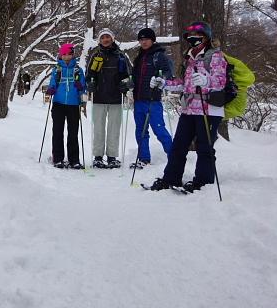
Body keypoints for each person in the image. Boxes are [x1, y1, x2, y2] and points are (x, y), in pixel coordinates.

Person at [147, 21, 227, 192]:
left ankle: (203, 181)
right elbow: (183, 84)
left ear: (207, 37)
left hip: (209, 107)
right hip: (189, 108)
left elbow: (221, 81)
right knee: (178, 145)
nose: (193, 38)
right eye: (190, 36)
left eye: (198, 35)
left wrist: (207, 81)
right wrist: (164, 83)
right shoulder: (189, 57)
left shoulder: (215, 56)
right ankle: (171, 178)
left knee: (204, 146)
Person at [85, 28, 132, 169]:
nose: (105, 40)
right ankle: (98, 157)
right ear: (100, 40)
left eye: (108, 37)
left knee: (114, 128)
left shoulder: (121, 56)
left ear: (112, 39)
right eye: (103, 37)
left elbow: (128, 76)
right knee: (98, 128)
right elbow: (89, 75)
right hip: (98, 97)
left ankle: (112, 157)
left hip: (116, 97)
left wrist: (126, 86)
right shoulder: (95, 56)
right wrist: (91, 84)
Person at [130, 28, 173, 169]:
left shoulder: (159, 56)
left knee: (159, 129)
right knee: (140, 130)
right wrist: (129, 83)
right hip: (138, 99)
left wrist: (162, 78)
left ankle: (174, 156)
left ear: (152, 40)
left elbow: (167, 72)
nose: (143, 42)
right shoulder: (139, 57)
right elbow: (134, 76)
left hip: (153, 99)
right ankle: (143, 158)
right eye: (141, 39)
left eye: (146, 39)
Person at [45, 43, 86, 169]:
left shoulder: (78, 70)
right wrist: (51, 90)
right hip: (58, 103)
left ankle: (74, 160)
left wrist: (81, 88)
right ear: (61, 55)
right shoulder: (56, 70)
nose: (67, 57)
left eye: (69, 54)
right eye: (64, 54)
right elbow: (52, 84)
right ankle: (58, 158)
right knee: (58, 131)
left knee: (73, 133)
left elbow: (83, 88)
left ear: (73, 55)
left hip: (74, 104)